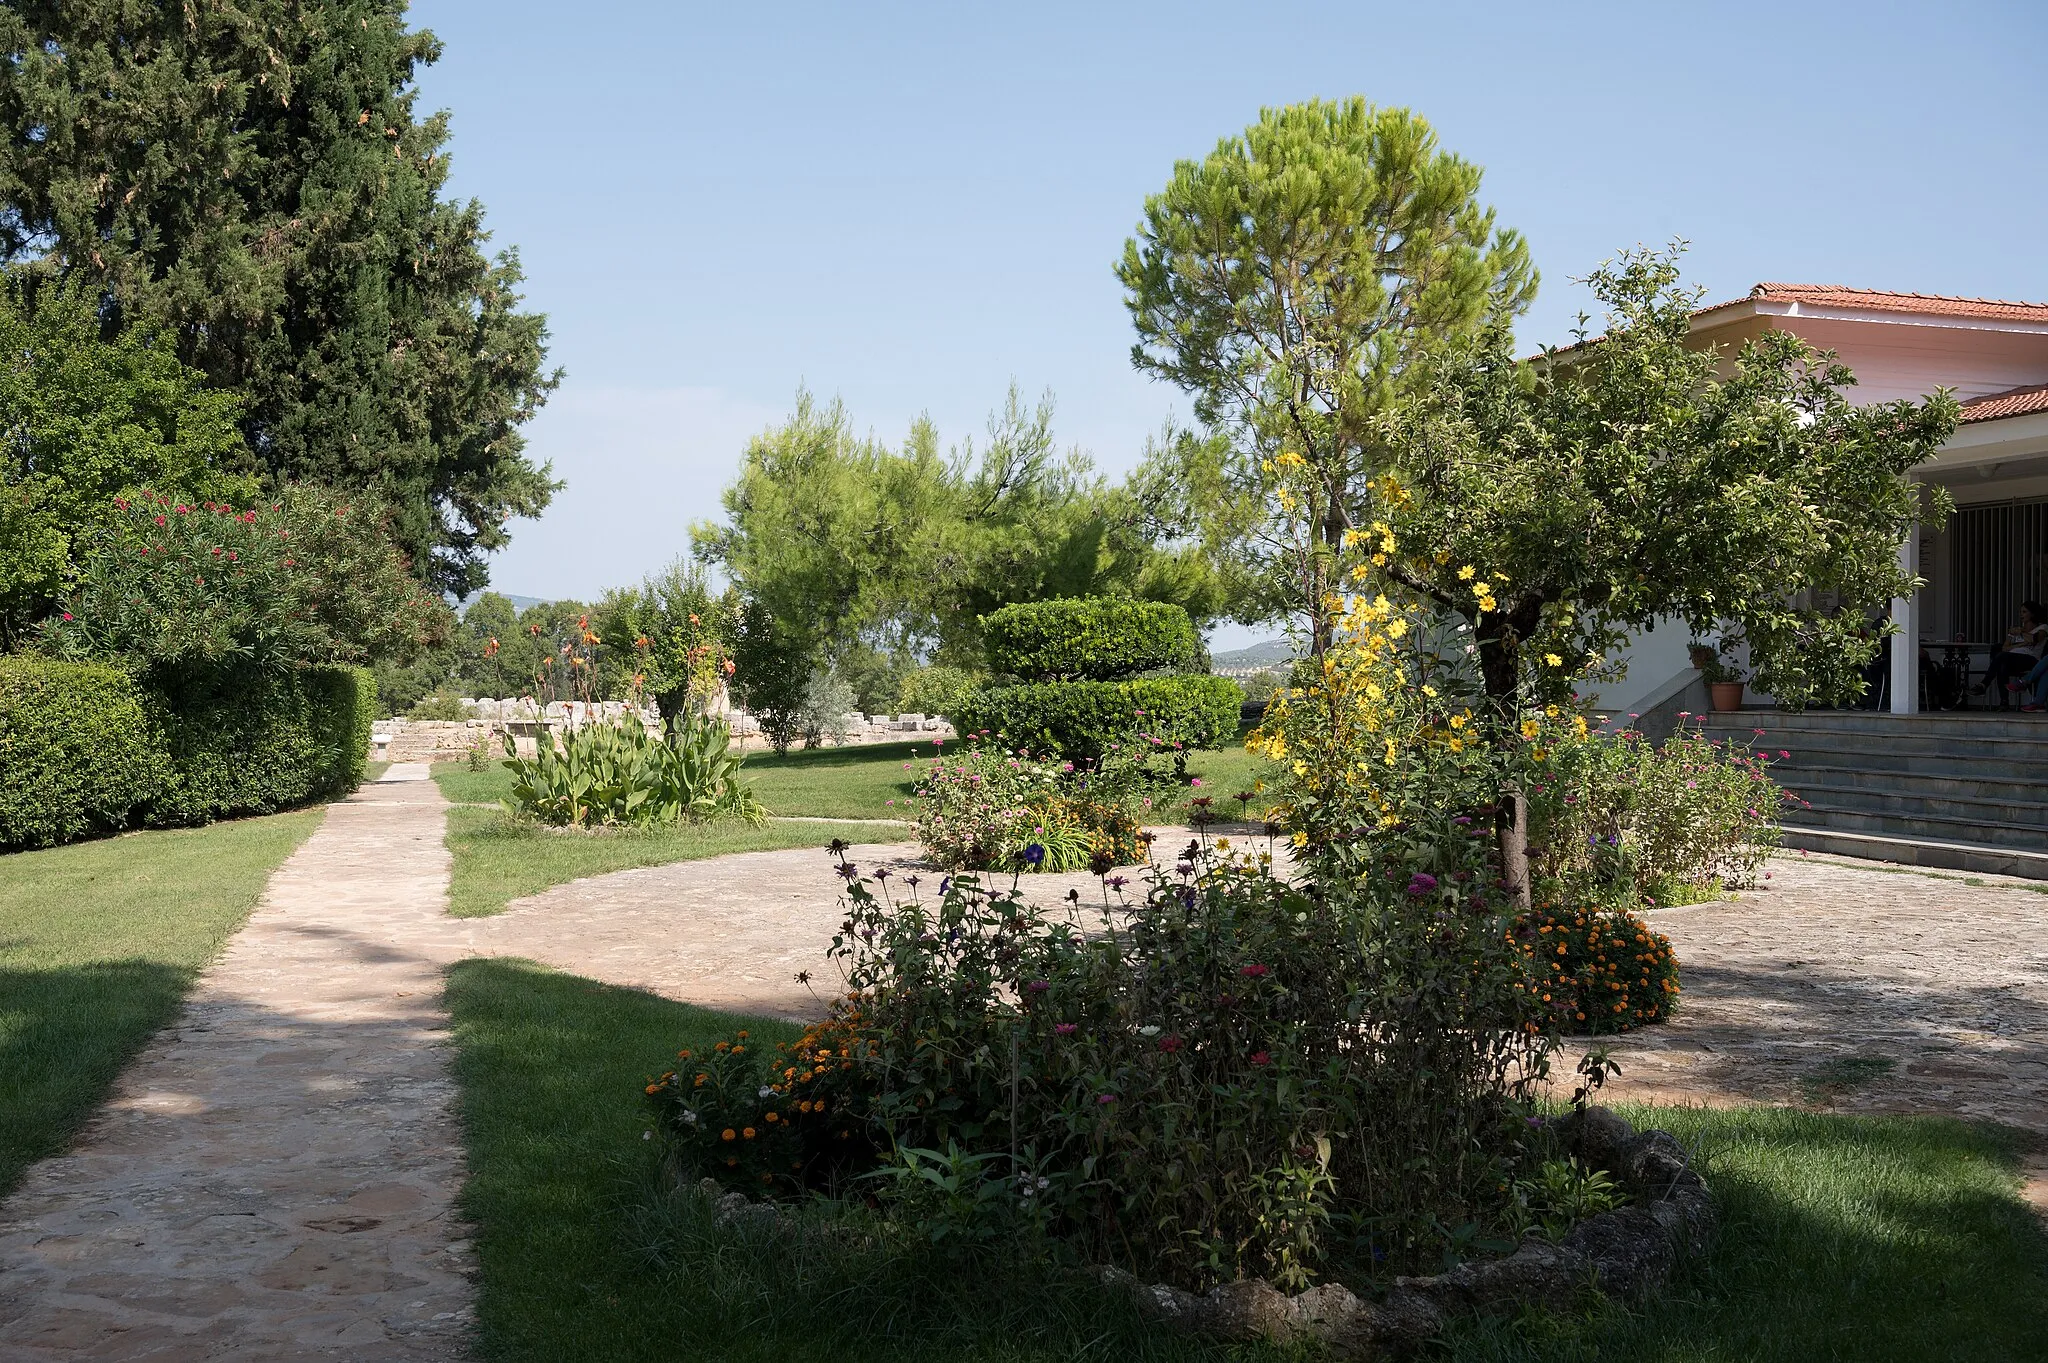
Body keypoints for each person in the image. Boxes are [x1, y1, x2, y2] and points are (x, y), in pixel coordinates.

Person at [1983, 601, 2047, 709]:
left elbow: (2034, 639)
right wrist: (2021, 644)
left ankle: (1984, 684)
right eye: (2020, 612)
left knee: (2002, 657)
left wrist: (2021, 633)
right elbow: (2004, 648)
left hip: (2031, 659)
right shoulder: (2015, 630)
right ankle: (2004, 702)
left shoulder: (2043, 628)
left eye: (2024, 612)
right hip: (2011, 658)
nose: (2021, 614)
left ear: (2033, 614)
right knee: (2002, 664)